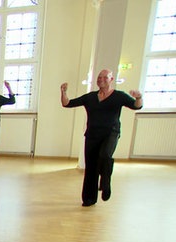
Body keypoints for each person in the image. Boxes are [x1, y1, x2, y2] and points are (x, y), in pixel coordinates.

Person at [61, 69, 143, 206]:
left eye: (105, 77)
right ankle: (89, 198)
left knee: (105, 155)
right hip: (92, 134)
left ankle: (105, 182)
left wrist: (139, 97)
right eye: (99, 77)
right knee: (91, 167)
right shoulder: (90, 97)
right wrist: (63, 92)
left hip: (111, 133)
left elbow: (136, 106)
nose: (101, 79)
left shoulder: (119, 96)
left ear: (111, 80)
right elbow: (67, 103)